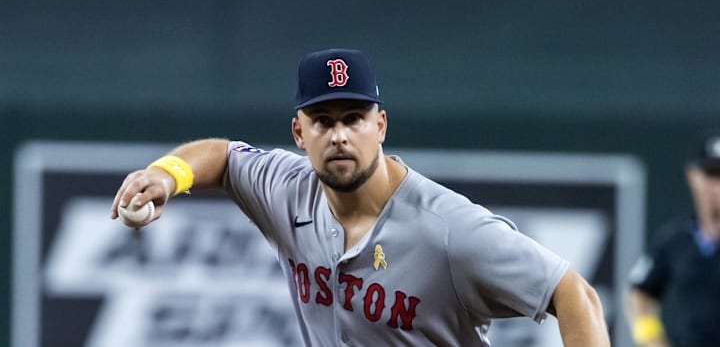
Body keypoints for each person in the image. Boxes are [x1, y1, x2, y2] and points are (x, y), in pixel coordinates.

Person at [111, 48, 609, 346]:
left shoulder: (448, 230)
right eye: (323, 121)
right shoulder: (288, 189)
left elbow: (575, 295)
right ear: (299, 133)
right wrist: (167, 174)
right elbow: (222, 156)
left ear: (380, 125)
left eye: (354, 118)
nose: (340, 135)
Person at [625, 131, 720, 347]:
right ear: (693, 176)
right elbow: (640, 293)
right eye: (711, 174)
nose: (717, 186)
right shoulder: (675, 240)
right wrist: (650, 339)